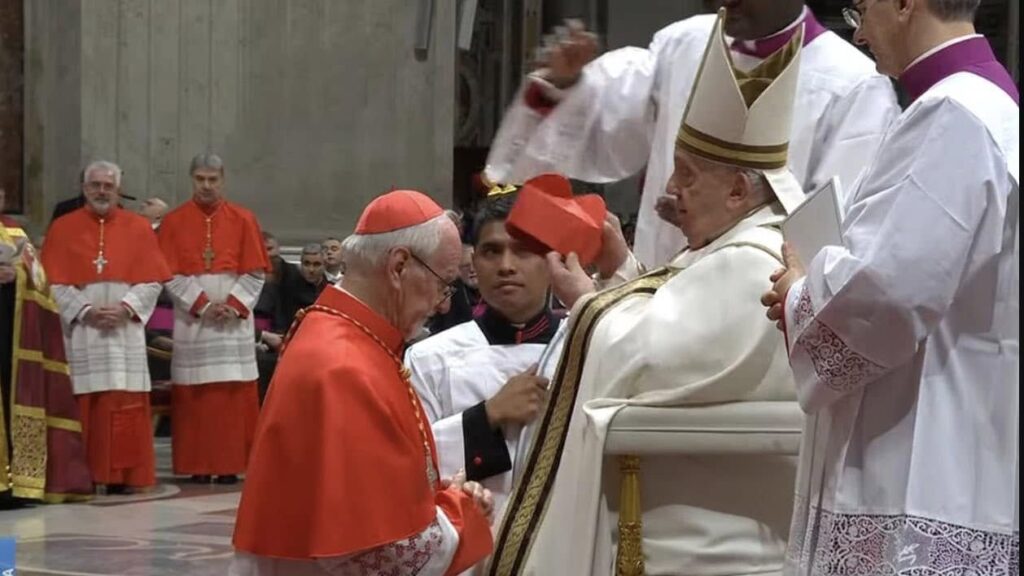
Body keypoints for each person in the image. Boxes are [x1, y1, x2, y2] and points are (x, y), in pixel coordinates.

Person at [492, 11, 803, 575]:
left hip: (707, 543)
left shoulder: (753, 260)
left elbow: (646, 360)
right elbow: (670, 323)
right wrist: (620, 269)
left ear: (738, 190)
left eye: (685, 175)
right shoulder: (724, 248)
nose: (668, 190)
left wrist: (587, 298)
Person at [760, 1, 1019, 573]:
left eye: (862, 8)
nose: (859, 31)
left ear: (904, 4)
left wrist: (801, 291)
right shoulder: (980, 104)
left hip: (920, 460)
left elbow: (890, 292)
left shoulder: (955, 112)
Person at [485, 0, 899, 269]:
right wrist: (566, 86)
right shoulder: (685, 43)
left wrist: (718, 221)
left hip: (761, 320)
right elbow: (608, 138)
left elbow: (835, 231)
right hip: (656, 292)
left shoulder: (854, 86)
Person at [232, 189, 494, 576]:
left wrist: (437, 498)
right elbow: (383, 553)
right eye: (444, 283)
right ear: (399, 266)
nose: (442, 304)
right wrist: (462, 511)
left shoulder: (348, 337)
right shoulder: (343, 366)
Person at [406, 188, 560, 543]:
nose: (506, 265)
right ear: (472, 264)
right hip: (467, 546)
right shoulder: (430, 357)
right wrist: (485, 417)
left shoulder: (582, 347)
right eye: (492, 251)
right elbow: (408, 465)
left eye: (523, 250)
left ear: (551, 260)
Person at [42, 161, 172, 495]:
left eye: (108, 186)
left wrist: (126, 308)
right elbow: (51, 282)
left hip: (123, 331)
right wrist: (84, 310)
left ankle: (122, 476)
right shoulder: (63, 228)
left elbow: (154, 280)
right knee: (85, 399)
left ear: (118, 190)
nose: (101, 191)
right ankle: (82, 474)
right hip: (82, 331)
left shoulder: (139, 227)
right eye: (95, 185)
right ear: (84, 188)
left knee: (123, 400)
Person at [157, 153, 270, 484]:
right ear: (191, 179)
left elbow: (255, 273)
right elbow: (169, 274)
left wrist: (232, 305)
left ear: (223, 180)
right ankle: (198, 465)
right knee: (196, 397)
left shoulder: (244, 219)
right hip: (195, 321)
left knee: (231, 396)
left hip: (232, 322)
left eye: (212, 179)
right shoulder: (174, 221)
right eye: (200, 179)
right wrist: (205, 305)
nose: (206, 186)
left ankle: (230, 465)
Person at [0, 187, 93, 507]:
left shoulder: (14, 232)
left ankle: (16, 484)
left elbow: (40, 281)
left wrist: (16, 275)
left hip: (11, 338)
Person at [427, 241, 482, 334]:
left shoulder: (494, 290)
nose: (472, 270)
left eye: (475, 264)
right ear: (457, 270)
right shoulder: (448, 293)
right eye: (465, 266)